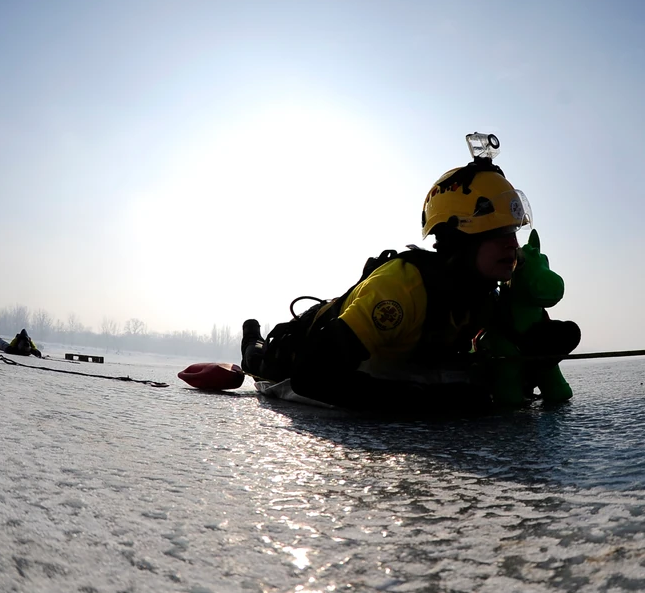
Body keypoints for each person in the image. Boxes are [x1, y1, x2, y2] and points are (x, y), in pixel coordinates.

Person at [242, 133, 579, 412]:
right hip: (300, 346)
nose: (511, 245)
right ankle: (252, 340)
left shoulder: (482, 296)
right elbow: (313, 376)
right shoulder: (400, 289)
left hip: (387, 359)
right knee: (263, 360)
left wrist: (539, 351)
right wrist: (425, 400)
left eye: (513, 232)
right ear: (457, 239)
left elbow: (509, 348)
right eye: (496, 233)